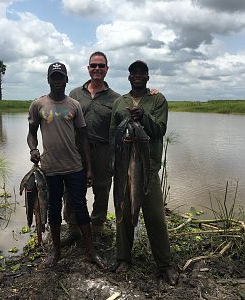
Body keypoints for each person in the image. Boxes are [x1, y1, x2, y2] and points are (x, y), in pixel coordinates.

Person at [27, 62, 105, 269]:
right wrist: (33, 150)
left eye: (61, 77)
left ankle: (91, 252)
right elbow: (31, 134)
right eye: (54, 77)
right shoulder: (38, 105)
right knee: (53, 209)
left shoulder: (74, 105)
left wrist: (88, 168)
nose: (57, 81)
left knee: (80, 207)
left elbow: (83, 138)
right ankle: (57, 252)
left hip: (74, 167)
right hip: (50, 169)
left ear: (66, 80)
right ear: (48, 80)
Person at [109, 60, 178, 285]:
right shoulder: (120, 102)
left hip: (147, 169)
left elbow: (159, 129)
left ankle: (165, 265)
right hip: (122, 168)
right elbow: (113, 135)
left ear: (147, 77)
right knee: (123, 213)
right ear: (129, 77)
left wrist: (142, 117)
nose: (137, 75)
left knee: (156, 217)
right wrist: (113, 163)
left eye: (142, 73)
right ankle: (123, 258)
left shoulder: (158, 99)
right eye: (134, 73)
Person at [62, 52, 120, 244]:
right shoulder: (75, 94)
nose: (97, 69)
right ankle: (72, 227)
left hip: (103, 150)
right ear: (88, 68)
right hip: (77, 149)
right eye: (93, 65)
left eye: (101, 66)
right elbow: (63, 116)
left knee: (102, 189)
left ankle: (97, 227)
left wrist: (151, 93)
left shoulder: (116, 99)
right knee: (71, 190)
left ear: (107, 69)